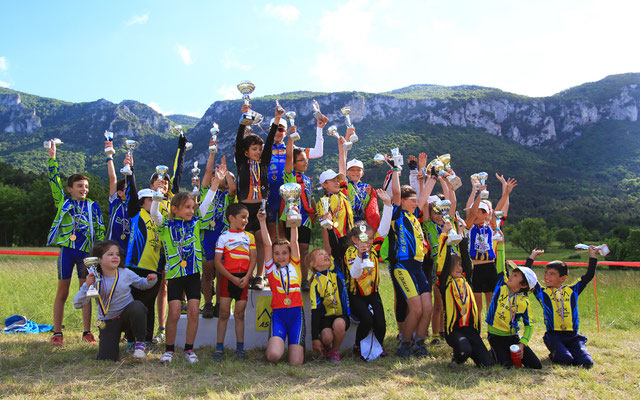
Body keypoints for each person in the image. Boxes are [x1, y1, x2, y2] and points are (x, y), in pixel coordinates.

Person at [45, 139, 105, 346]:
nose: (84, 189)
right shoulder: (64, 202)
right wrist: (52, 159)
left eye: (86, 186)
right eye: (80, 186)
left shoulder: (93, 206)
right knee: (62, 291)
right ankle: (57, 332)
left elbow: (100, 229)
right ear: (70, 189)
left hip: (86, 254)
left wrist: (98, 254)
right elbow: (54, 183)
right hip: (67, 252)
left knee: (87, 291)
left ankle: (87, 331)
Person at [150, 182, 218, 364]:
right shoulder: (166, 225)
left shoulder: (196, 222)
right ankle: (169, 350)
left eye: (192, 207)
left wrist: (216, 183)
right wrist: (157, 194)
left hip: (193, 274)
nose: (191, 211)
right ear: (175, 209)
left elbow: (205, 205)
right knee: (173, 313)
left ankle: (189, 349)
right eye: (187, 208)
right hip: (174, 275)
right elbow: (154, 214)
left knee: (194, 312)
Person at [73, 240, 157, 361]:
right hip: (108, 322)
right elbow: (77, 304)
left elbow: (142, 284)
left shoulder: (125, 273)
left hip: (127, 316)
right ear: (99, 260)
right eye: (110, 254)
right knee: (106, 359)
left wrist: (151, 280)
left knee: (137, 307)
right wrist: (86, 286)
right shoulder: (94, 278)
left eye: (117, 254)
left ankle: (139, 345)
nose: (115, 257)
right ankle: (111, 340)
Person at [387, 163, 433, 358]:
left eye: (416, 201)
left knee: (427, 308)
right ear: (403, 201)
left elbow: (424, 198)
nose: (416, 204)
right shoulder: (397, 215)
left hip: (419, 267)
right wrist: (396, 169)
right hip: (403, 266)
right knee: (415, 307)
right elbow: (396, 192)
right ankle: (404, 344)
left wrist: (434, 176)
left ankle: (420, 344)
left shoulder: (415, 216)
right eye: (412, 201)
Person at [526, 247, 598, 368]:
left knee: (587, 363)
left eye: (552, 274)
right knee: (566, 360)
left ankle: (572, 351)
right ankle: (558, 353)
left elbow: (589, 275)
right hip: (554, 336)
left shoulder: (572, 291)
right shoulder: (542, 293)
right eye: (546, 273)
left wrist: (592, 255)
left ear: (563, 278)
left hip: (573, 336)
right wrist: (532, 257)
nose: (547, 277)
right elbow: (528, 277)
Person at [344, 189, 392, 359]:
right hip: (356, 294)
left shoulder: (373, 249)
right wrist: (359, 256)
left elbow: (384, 230)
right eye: (364, 239)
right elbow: (355, 274)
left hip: (373, 292)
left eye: (370, 239)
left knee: (380, 322)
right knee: (367, 320)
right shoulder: (351, 252)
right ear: (355, 240)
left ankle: (378, 347)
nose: (368, 242)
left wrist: (387, 205)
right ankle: (358, 347)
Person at [235, 104, 278, 291]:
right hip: (244, 208)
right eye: (254, 149)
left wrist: (276, 119)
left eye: (260, 149)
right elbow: (238, 141)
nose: (259, 151)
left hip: (260, 208)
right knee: (246, 244)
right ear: (246, 152)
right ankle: (248, 275)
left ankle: (260, 276)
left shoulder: (264, 162)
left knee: (261, 242)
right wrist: (243, 120)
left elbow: (269, 142)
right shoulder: (241, 162)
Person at [266, 110, 326, 243]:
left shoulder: (294, 148)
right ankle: (269, 263)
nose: (277, 132)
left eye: (280, 129)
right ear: (269, 130)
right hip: (269, 193)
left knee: (283, 234)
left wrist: (319, 129)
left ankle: (285, 262)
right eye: (274, 129)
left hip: (288, 195)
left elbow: (318, 152)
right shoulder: (262, 149)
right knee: (269, 233)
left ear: (286, 132)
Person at [464, 176, 516, 327]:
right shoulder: (470, 227)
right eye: (479, 211)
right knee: (477, 306)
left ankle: (493, 331)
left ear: (487, 214)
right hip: (476, 269)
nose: (479, 214)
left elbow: (498, 210)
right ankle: (478, 332)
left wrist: (506, 193)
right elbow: (471, 212)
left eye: (483, 212)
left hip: (490, 268)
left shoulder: (492, 226)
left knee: (491, 303)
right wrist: (479, 193)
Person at [436, 232, 494, 367]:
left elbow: (467, 262)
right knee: (464, 351)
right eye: (455, 265)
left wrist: (461, 237)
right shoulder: (445, 283)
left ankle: (473, 350)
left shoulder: (466, 281)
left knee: (487, 364)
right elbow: (443, 263)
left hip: (471, 330)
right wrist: (447, 239)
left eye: (460, 265)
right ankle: (457, 358)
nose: (459, 268)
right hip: (455, 331)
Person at [257, 204, 305, 365]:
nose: (280, 257)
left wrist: (293, 221)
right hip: (279, 314)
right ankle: (275, 346)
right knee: (273, 356)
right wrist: (263, 222)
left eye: (284, 253)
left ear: (290, 254)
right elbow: (266, 245)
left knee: (296, 363)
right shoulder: (271, 269)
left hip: (296, 315)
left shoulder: (295, 265)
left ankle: (292, 347)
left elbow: (294, 240)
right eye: (277, 254)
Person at [280, 120, 322, 292]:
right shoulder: (289, 175)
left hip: (305, 219)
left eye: (306, 160)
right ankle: (288, 279)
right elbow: (288, 156)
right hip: (291, 216)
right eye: (302, 160)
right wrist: (291, 137)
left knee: (304, 249)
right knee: (290, 249)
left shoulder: (307, 179)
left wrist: (318, 213)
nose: (306, 163)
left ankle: (304, 280)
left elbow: (309, 197)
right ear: (294, 162)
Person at [212, 203, 257, 361]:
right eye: (243, 217)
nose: (246, 220)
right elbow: (218, 262)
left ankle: (240, 348)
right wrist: (231, 278)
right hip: (227, 278)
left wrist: (248, 276)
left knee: (239, 314)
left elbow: (253, 258)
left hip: (243, 279)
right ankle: (219, 347)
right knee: (223, 313)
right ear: (231, 218)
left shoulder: (249, 237)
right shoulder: (223, 237)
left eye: (247, 218)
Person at [485, 245, 542, 369]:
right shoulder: (501, 286)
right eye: (512, 273)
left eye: (515, 275)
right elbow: (500, 265)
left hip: (512, 337)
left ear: (523, 285)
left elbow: (529, 325)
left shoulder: (524, 303)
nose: (510, 276)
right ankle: (492, 353)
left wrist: (522, 344)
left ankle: (501, 354)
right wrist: (501, 243)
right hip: (495, 336)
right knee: (507, 365)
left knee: (536, 365)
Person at [122, 179, 163, 350]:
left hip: (154, 269)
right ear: (141, 201)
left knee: (149, 306)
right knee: (133, 305)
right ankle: (131, 340)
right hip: (135, 266)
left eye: (156, 200)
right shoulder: (136, 213)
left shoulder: (159, 219)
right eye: (150, 200)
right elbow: (131, 194)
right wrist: (130, 173)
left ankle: (147, 340)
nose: (154, 202)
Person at [200, 150, 237, 319]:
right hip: (207, 234)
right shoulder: (207, 191)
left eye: (219, 175)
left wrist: (227, 171)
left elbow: (233, 187)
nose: (216, 176)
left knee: (221, 272)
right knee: (207, 271)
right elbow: (208, 172)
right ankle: (207, 303)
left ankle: (220, 304)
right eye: (215, 174)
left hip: (222, 236)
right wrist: (212, 155)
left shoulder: (228, 195)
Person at [308, 223, 351, 363]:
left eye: (326, 254)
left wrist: (330, 228)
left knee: (339, 324)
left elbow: (334, 248)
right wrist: (315, 338)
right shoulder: (315, 283)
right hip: (325, 318)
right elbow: (315, 311)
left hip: (341, 315)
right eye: (321, 255)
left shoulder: (336, 270)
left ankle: (334, 351)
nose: (326, 255)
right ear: (313, 264)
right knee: (326, 337)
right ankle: (326, 346)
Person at [339, 128, 380, 230]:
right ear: (347, 172)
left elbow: (371, 207)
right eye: (352, 170)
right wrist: (347, 137)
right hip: (348, 219)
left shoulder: (367, 187)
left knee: (363, 243)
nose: (355, 172)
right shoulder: (346, 183)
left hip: (363, 221)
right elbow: (342, 164)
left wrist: (371, 195)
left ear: (362, 173)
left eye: (358, 170)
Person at [105, 141, 129, 251]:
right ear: (119, 193)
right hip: (111, 249)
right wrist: (109, 156)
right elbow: (112, 179)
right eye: (127, 189)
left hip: (128, 252)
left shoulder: (135, 206)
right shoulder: (115, 203)